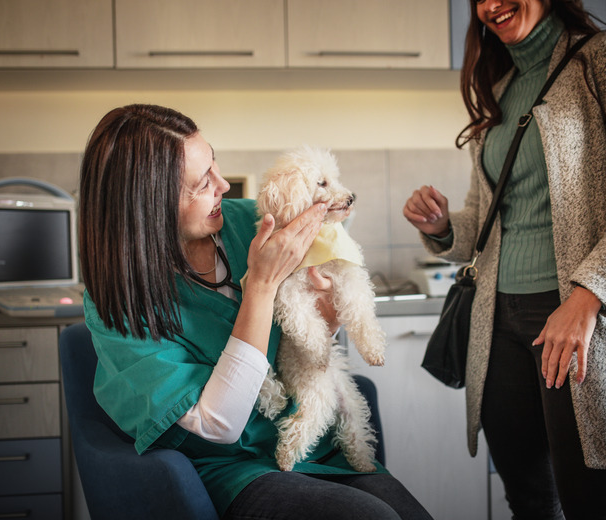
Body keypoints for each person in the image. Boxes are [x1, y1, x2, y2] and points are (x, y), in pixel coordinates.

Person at [79, 104, 432, 520]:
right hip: (229, 471)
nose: (224, 185)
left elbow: (314, 329)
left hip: (313, 447)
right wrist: (261, 287)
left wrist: (330, 312)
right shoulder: (118, 305)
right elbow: (220, 425)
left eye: (215, 166)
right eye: (201, 183)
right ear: (147, 203)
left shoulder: (253, 221)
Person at [403, 1, 606, 519]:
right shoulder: (502, 91)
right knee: (529, 503)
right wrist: (442, 227)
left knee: (593, 508)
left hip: (579, 321)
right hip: (498, 325)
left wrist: (587, 295)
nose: (491, 5)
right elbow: (490, 223)